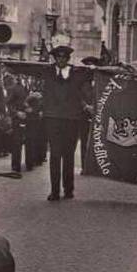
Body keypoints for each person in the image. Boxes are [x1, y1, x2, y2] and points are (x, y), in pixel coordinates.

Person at [42, 45, 92, 201]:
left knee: (68, 156)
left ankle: (68, 189)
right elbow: (26, 69)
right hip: (53, 119)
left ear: (68, 59)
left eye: (64, 58)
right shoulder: (48, 72)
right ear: (55, 59)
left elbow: (92, 74)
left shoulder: (77, 75)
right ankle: (54, 191)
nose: (61, 60)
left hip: (71, 120)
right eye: (58, 58)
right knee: (55, 155)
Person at [2, 73, 28, 173]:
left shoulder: (26, 86)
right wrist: (16, 113)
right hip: (18, 118)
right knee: (17, 142)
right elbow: (8, 103)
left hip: (29, 117)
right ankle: (16, 166)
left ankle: (29, 163)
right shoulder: (14, 88)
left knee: (26, 141)